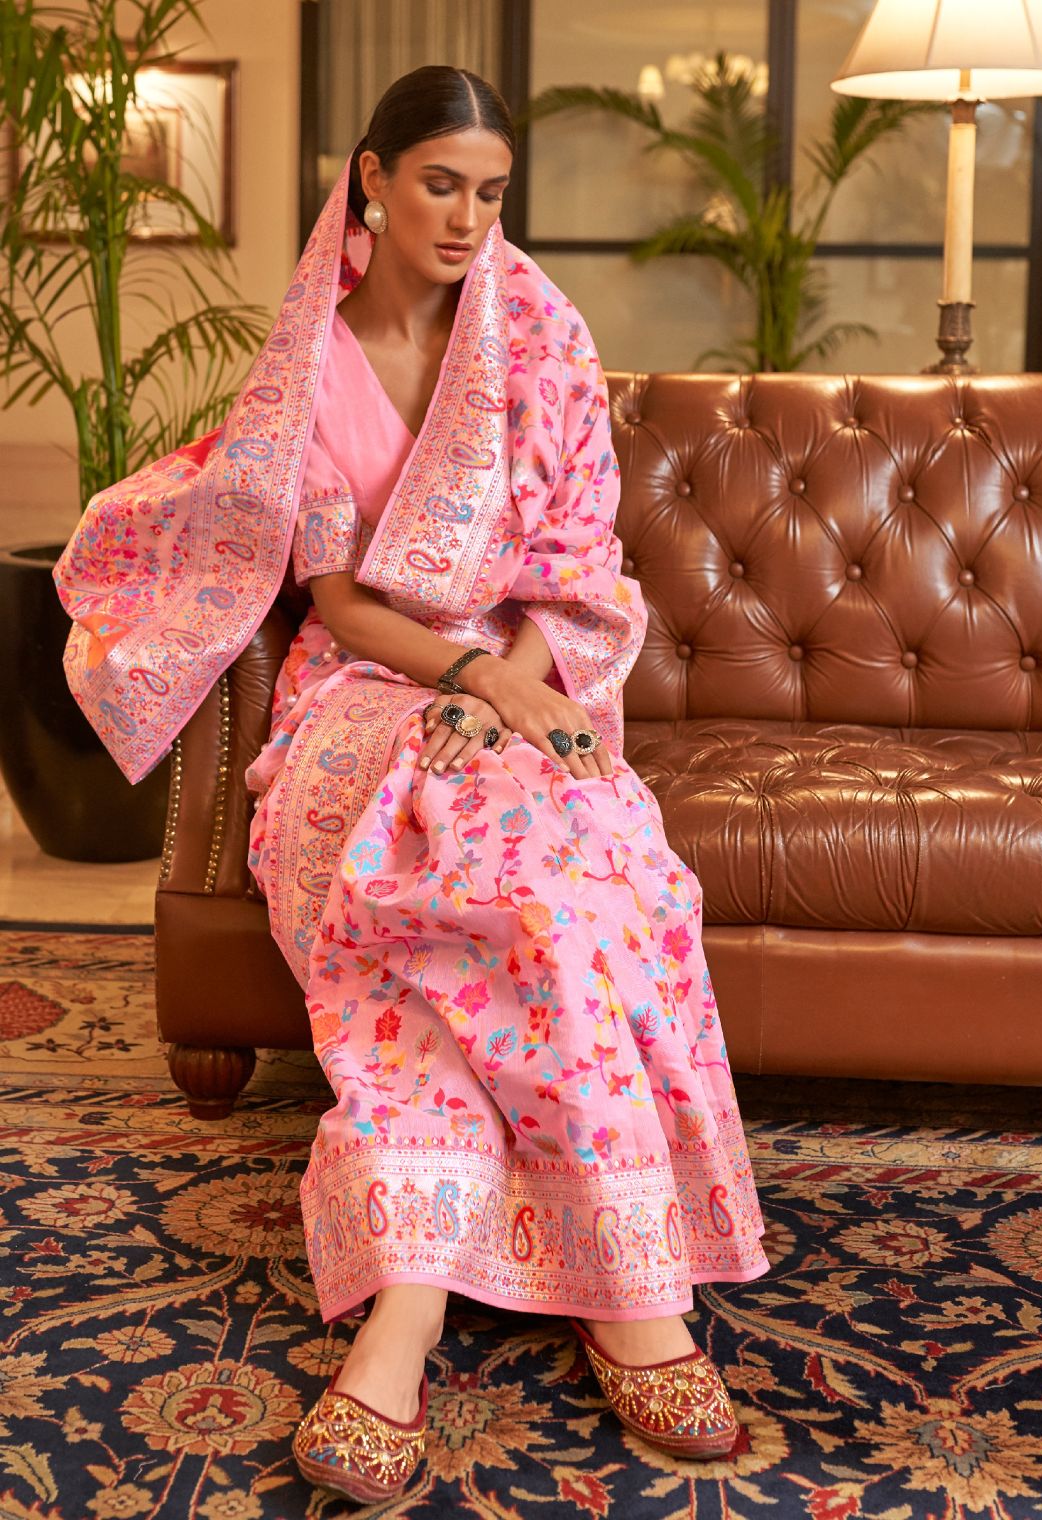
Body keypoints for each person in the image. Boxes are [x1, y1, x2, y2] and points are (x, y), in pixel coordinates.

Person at [55, 64, 769, 1508]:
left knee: (556, 882)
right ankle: (575, 1304)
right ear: (370, 179)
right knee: (425, 873)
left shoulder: (540, 337)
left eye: (491, 192)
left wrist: (515, 691)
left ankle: (450, 1304)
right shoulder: (311, 359)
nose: (467, 217)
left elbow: (577, 570)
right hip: (368, 687)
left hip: (532, 675)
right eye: (441, 183)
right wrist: (465, 683)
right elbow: (336, 599)